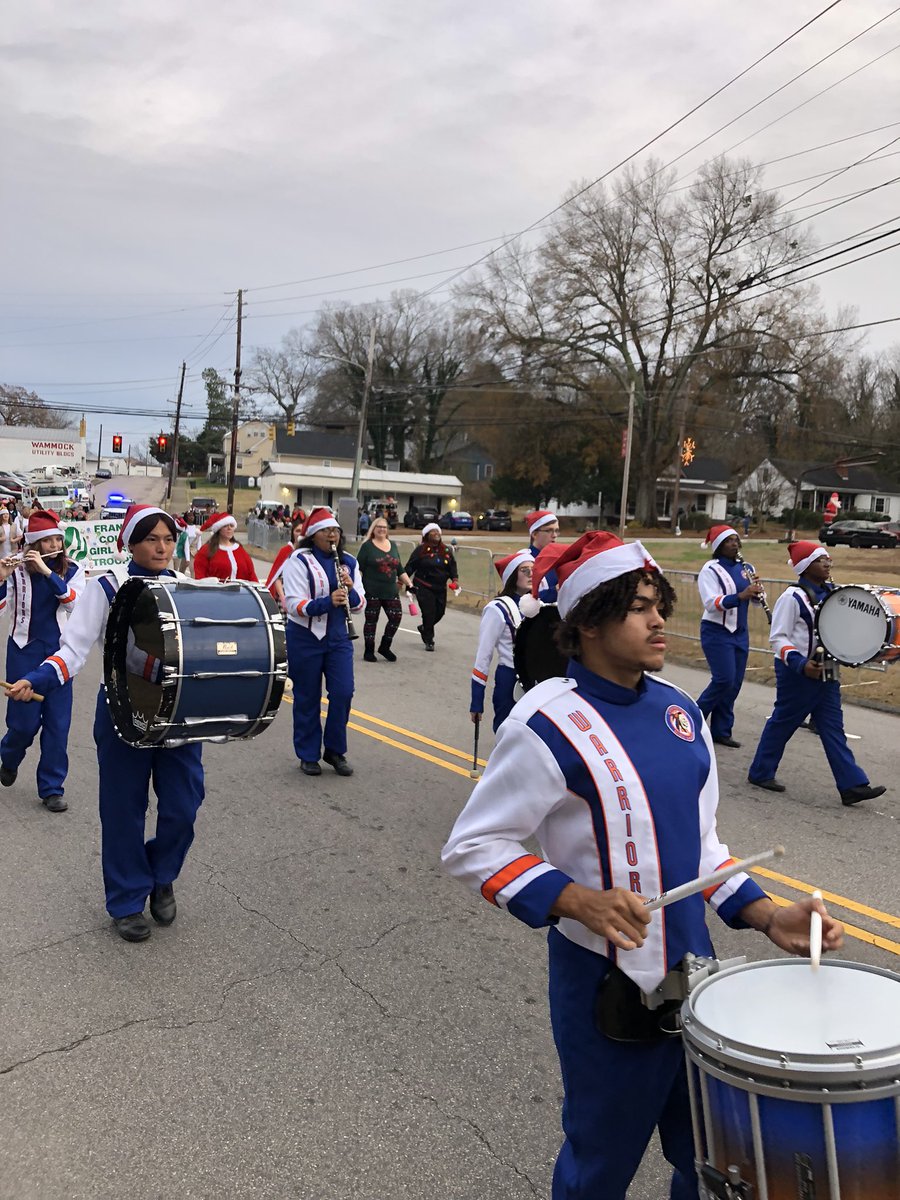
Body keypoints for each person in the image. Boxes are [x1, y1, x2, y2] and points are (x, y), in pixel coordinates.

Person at [441, 530, 843, 1200]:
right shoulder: (545, 724)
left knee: (714, 1159)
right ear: (589, 623)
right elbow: (473, 845)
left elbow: (703, 846)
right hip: (605, 987)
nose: (658, 620)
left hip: (698, 978)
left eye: (659, 605)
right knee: (599, 1166)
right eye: (637, 608)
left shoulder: (681, 711)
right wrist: (575, 898)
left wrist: (769, 915)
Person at [5, 505, 206, 942]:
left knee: (183, 806)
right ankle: (127, 900)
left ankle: (162, 874)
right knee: (123, 810)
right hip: (122, 710)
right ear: (131, 543)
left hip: (177, 714)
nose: (162, 548)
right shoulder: (106, 587)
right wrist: (37, 677)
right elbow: (73, 649)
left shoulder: (183, 585)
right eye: (151, 539)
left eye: (168, 539)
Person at [748, 542, 887, 806]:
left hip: (827, 669)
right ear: (805, 566)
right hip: (797, 672)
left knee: (833, 727)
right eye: (820, 559)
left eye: (827, 559)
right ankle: (760, 772)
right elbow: (778, 638)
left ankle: (852, 785)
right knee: (784, 721)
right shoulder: (792, 597)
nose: (827, 563)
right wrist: (801, 664)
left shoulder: (835, 594)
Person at [0, 511, 86, 813]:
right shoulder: (16, 568)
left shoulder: (73, 569)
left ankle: (51, 788)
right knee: (23, 725)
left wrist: (49, 573)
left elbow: (75, 604)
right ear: (34, 544)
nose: (54, 545)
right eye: (47, 541)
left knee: (57, 726)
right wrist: (1, 578)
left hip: (60, 654)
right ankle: (9, 756)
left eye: (57, 540)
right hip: (23, 652)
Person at [282, 507, 365, 777]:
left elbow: (360, 605)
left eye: (335, 530)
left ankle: (335, 750)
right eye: (326, 531)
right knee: (307, 697)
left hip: (339, 637)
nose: (332, 535)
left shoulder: (349, 561)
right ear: (313, 535)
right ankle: (308, 754)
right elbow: (294, 605)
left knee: (343, 692)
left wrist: (350, 590)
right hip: (304, 637)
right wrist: (327, 602)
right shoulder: (299, 560)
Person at [696, 523, 764, 748]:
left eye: (736, 540)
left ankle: (721, 730)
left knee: (733, 684)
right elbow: (711, 603)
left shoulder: (747, 567)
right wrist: (741, 595)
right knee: (723, 679)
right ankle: (693, 720)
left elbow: (755, 601)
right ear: (718, 546)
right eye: (728, 541)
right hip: (717, 631)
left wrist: (757, 594)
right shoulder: (710, 569)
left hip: (740, 632)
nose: (734, 544)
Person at [469, 550, 533, 732]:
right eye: (524, 570)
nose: (531, 574)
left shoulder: (538, 605)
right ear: (512, 575)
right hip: (510, 678)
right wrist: (477, 700)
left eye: (533, 569)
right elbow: (483, 655)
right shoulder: (497, 608)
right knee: (506, 734)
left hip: (535, 680)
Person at [356, 516, 413, 663]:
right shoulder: (367, 546)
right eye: (379, 527)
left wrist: (409, 583)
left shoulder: (392, 545)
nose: (382, 529)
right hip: (372, 590)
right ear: (373, 529)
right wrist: (357, 586)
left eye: (384, 527)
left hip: (390, 591)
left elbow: (399, 568)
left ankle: (385, 647)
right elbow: (358, 569)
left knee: (396, 617)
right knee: (371, 621)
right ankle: (369, 651)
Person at [403, 523, 459, 651]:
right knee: (429, 612)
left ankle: (424, 627)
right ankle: (429, 640)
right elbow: (410, 566)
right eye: (433, 531)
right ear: (427, 535)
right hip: (423, 585)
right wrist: (405, 581)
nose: (436, 533)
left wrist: (455, 580)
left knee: (440, 612)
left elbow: (452, 567)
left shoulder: (446, 550)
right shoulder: (421, 550)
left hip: (440, 587)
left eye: (437, 531)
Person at [192, 512, 258, 582]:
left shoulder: (240, 550)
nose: (229, 528)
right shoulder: (206, 550)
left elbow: (251, 575)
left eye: (231, 526)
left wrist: (256, 587)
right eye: (225, 526)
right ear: (219, 529)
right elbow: (200, 577)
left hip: (241, 589)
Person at [264, 514, 305, 610]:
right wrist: (283, 598)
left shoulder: (309, 552)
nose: (300, 534)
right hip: (286, 597)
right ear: (292, 533)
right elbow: (277, 578)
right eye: (297, 531)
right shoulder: (286, 551)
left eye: (302, 531)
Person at [526, 509, 560, 601]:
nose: (554, 535)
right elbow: (523, 599)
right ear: (534, 534)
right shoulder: (524, 561)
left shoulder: (559, 559)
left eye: (556, 530)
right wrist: (555, 591)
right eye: (549, 530)